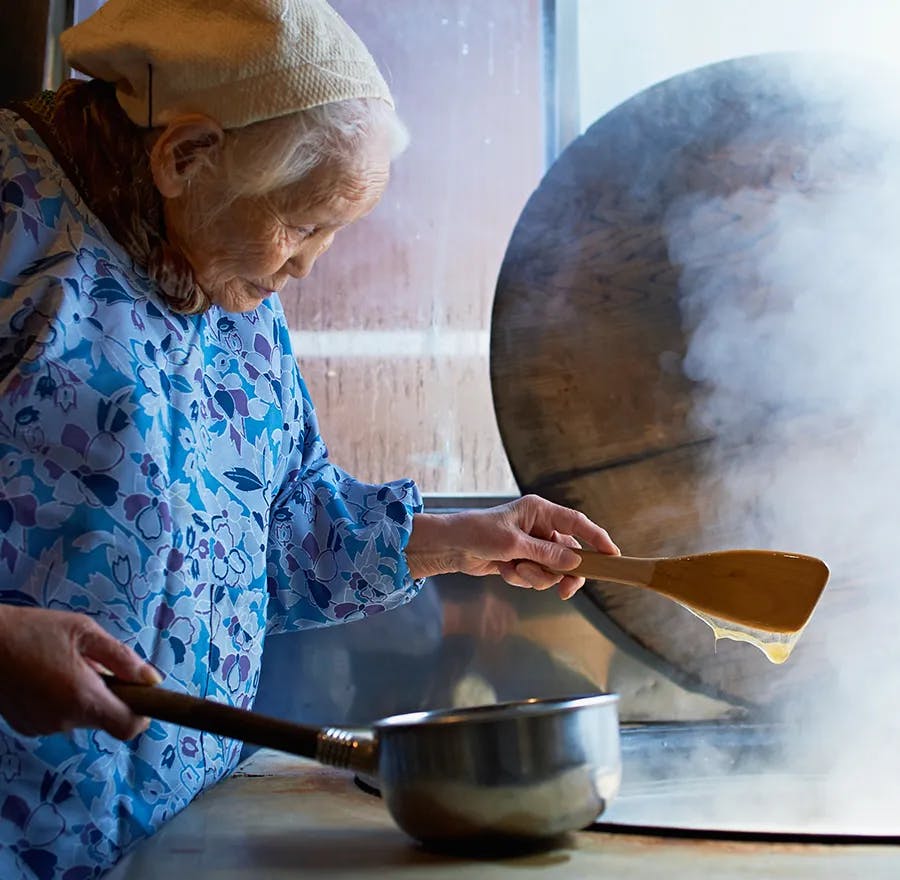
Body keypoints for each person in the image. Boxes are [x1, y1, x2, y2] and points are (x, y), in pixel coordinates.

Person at [0, 1, 620, 876]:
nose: (309, 265)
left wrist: (456, 537)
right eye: (300, 222)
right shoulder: (17, 225)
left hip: (170, 837)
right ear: (185, 155)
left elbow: (274, 533)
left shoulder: (236, 292)